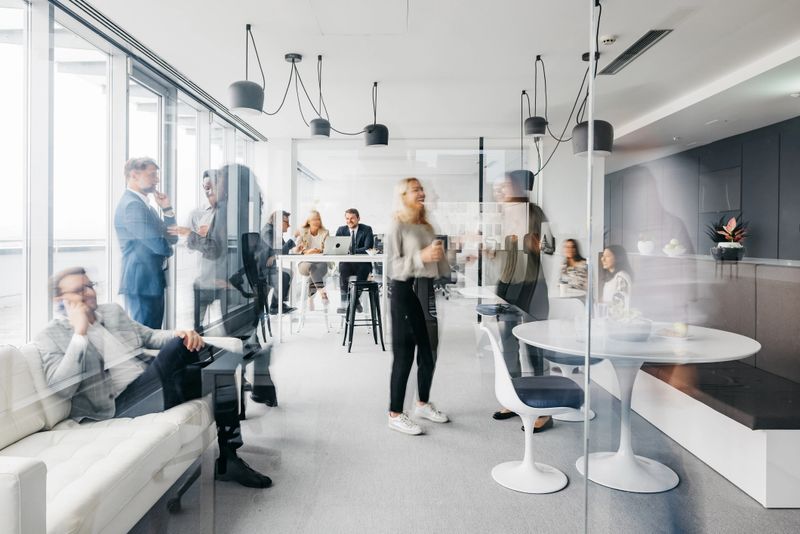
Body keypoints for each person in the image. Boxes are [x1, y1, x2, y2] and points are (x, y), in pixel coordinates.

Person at [34, 267, 272, 488]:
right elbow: (61, 388)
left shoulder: (111, 311)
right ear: (59, 300)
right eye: (79, 290)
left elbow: (150, 336)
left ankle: (229, 460)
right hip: (122, 405)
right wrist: (80, 333)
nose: (88, 292)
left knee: (219, 375)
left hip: (153, 383)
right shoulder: (50, 335)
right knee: (182, 348)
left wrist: (182, 332)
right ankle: (240, 357)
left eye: (90, 285)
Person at [386, 177, 450, 435]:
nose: (421, 192)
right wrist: (420, 256)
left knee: (427, 352)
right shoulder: (397, 224)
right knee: (404, 355)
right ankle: (394, 413)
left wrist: (444, 257)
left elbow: (437, 266)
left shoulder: (425, 225)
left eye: (422, 188)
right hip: (402, 292)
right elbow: (392, 267)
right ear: (403, 195)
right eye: (416, 190)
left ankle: (422, 403)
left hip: (422, 292)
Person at [114, 157, 177, 328]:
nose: (157, 179)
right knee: (145, 340)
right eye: (152, 175)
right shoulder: (132, 206)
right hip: (142, 283)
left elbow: (173, 238)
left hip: (149, 281)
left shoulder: (145, 206)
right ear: (134, 175)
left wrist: (167, 209)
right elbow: (161, 245)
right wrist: (167, 247)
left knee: (153, 335)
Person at [170, 170, 227, 332]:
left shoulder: (228, 213)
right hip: (203, 276)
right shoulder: (197, 214)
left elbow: (219, 246)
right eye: (205, 187)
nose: (208, 191)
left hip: (225, 276)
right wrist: (195, 237)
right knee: (197, 326)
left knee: (228, 323)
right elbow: (188, 245)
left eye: (211, 186)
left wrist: (196, 237)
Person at [334, 208, 375, 314]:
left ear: (358, 218)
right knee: (343, 268)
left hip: (363, 263)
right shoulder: (341, 230)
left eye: (352, 218)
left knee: (363, 270)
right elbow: (337, 248)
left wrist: (349, 251)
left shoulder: (366, 229)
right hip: (347, 263)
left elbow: (367, 248)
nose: (349, 221)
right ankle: (346, 303)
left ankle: (353, 300)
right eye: (347, 218)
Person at [259, 210, 296, 314]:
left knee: (289, 272)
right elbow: (281, 251)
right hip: (263, 269)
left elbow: (282, 250)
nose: (289, 225)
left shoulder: (275, 232)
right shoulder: (268, 231)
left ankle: (278, 304)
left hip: (270, 268)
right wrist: (294, 237)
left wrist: (275, 256)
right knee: (284, 275)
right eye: (287, 222)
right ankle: (275, 306)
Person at [293, 210, 330, 309]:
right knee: (311, 266)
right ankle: (323, 293)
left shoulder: (325, 232)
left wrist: (319, 250)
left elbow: (328, 249)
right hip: (305, 264)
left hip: (321, 263)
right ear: (309, 221)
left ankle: (310, 297)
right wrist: (305, 252)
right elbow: (295, 250)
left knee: (314, 271)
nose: (316, 221)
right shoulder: (302, 232)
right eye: (314, 219)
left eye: (318, 219)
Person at [600, 244, 633, 309]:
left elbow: (620, 305)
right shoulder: (613, 277)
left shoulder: (621, 277)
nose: (602, 259)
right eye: (603, 256)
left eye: (607, 256)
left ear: (618, 258)